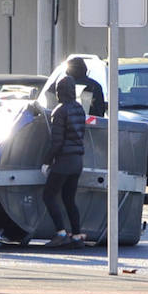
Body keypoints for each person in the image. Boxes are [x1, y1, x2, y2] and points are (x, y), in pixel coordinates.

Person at [41, 76, 86, 249]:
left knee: (49, 195)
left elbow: (57, 142)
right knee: (69, 198)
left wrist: (46, 161)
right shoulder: (79, 108)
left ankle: (60, 233)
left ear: (60, 92)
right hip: (77, 161)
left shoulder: (59, 111)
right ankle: (76, 235)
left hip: (63, 162)